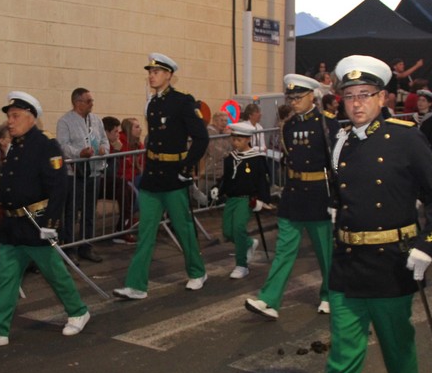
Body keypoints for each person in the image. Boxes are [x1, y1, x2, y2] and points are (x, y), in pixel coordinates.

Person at [286, 55, 432, 373]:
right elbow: (341, 188)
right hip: (348, 260)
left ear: (382, 98)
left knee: (397, 344)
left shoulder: (406, 137)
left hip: (391, 260)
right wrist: (334, 207)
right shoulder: (341, 139)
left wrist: (426, 246)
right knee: (344, 351)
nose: (357, 103)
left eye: (365, 95)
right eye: (350, 96)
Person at [0, 92, 91, 346]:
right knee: (6, 278)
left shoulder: (46, 145)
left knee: (54, 273)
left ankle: (78, 311)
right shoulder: (16, 146)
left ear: (31, 117)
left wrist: (51, 223)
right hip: (14, 225)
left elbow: (59, 186)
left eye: (15, 116)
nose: (10, 122)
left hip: (35, 222)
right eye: (9, 117)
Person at [113, 53, 209, 299]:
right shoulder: (153, 104)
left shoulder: (183, 101)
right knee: (146, 232)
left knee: (183, 228)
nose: (151, 76)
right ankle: (136, 285)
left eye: (156, 72)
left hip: (173, 176)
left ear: (169, 75)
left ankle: (197, 272)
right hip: (153, 176)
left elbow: (201, 138)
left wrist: (186, 168)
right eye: (149, 72)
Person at [245, 74, 338, 319]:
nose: (294, 102)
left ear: (312, 96)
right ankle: (269, 300)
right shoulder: (289, 125)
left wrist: (336, 199)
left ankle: (329, 295)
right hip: (294, 193)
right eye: (291, 98)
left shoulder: (327, 124)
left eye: (298, 97)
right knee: (284, 251)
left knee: (325, 253)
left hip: (319, 194)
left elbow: (337, 165)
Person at [213, 121, 271, 279]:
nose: (235, 143)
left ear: (247, 139)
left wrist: (262, 199)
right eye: (233, 139)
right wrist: (218, 188)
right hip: (231, 199)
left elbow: (263, 180)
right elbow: (226, 179)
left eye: (239, 140)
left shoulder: (257, 159)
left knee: (238, 228)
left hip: (246, 199)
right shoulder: (230, 158)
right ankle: (249, 243)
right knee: (227, 231)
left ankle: (241, 265)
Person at [56, 87, 108, 263]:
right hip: (74, 173)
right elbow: (63, 146)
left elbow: (104, 139)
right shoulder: (65, 122)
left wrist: (104, 149)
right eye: (88, 101)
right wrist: (79, 153)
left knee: (89, 211)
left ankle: (87, 246)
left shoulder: (96, 120)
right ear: (77, 103)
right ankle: (70, 249)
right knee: (71, 212)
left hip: (94, 172)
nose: (92, 104)